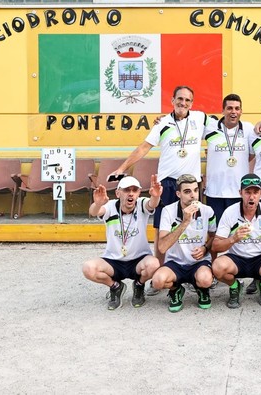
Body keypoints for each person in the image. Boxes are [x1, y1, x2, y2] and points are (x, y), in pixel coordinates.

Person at [111, 85, 211, 264]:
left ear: (192, 103)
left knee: (194, 225)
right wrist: (122, 168)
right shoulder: (162, 123)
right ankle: (159, 268)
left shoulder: (200, 118)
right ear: (172, 101)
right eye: (180, 99)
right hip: (168, 183)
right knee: (161, 228)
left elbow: (224, 126)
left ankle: (195, 268)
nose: (183, 103)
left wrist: (258, 125)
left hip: (191, 186)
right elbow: (144, 147)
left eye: (187, 100)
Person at [82, 176, 162, 310]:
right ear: (118, 193)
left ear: (138, 193)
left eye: (135, 190)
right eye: (126, 190)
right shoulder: (110, 206)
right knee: (88, 268)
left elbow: (152, 204)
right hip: (113, 261)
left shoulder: (141, 204)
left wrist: (156, 196)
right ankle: (115, 286)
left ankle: (139, 285)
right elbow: (95, 211)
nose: (131, 193)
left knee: (154, 264)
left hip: (138, 259)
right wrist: (98, 204)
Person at [211, 173, 261, 309]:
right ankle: (235, 286)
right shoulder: (230, 212)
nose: (251, 197)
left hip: (259, 259)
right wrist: (233, 238)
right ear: (240, 193)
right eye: (247, 192)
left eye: (255, 192)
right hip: (236, 259)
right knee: (217, 267)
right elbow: (216, 245)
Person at [151, 174, 216, 312]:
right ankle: (176, 290)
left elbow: (214, 237)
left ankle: (202, 289)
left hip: (199, 262)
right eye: (187, 191)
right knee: (158, 281)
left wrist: (205, 248)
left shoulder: (207, 211)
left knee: (205, 280)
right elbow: (162, 247)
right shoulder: (168, 211)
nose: (193, 195)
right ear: (178, 194)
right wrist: (185, 221)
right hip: (175, 262)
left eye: (195, 190)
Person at [204, 93, 254, 223]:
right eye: (230, 108)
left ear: (241, 111)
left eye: (237, 108)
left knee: (238, 231)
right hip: (215, 192)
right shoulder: (210, 128)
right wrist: (164, 119)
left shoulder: (249, 129)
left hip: (239, 192)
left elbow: (252, 154)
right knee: (215, 232)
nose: (233, 112)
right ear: (223, 110)